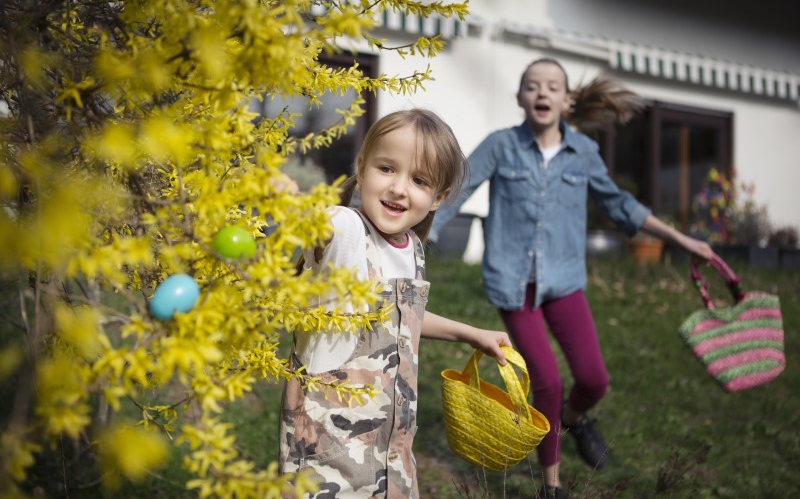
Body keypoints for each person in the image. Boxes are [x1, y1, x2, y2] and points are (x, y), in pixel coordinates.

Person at [429, 59, 715, 499]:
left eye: (552, 86)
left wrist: (681, 240)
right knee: (547, 380)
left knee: (594, 379)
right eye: (531, 86)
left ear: (567, 99)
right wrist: (415, 235)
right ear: (520, 97)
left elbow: (621, 204)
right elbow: (458, 189)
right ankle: (552, 485)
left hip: (563, 279)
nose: (542, 93)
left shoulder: (583, 153)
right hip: (514, 283)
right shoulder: (501, 145)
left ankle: (575, 419)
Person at [278, 109, 512, 498]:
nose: (399, 188)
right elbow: (321, 221)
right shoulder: (348, 233)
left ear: (438, 197)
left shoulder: (412, 249)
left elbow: (403, 317)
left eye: (419, 180)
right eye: (386, 168)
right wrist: (288, 197)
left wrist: (471, 334)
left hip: (392, 460)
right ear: (362, 167)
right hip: (327, 462)